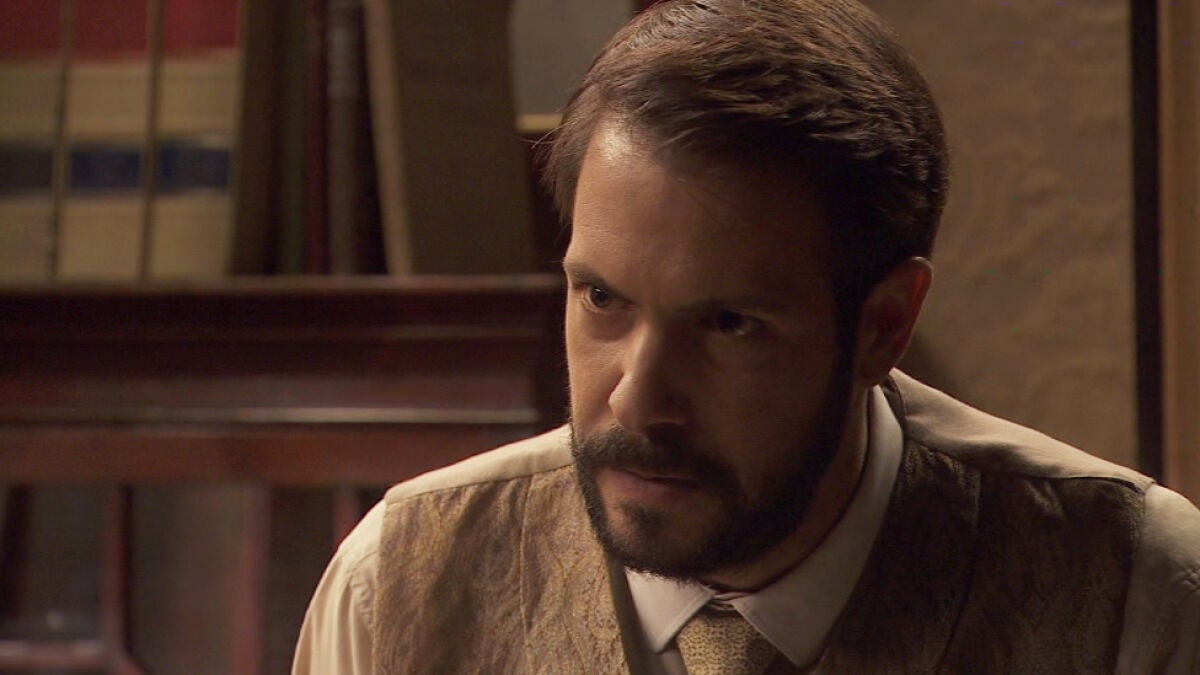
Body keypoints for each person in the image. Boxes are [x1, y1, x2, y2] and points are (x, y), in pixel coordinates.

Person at [293, 0, 1200, 672]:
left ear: (884, 324)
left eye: (729, 323)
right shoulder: (401, 592)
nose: (638, 399)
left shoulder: (1130, 598)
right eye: (603, 299)